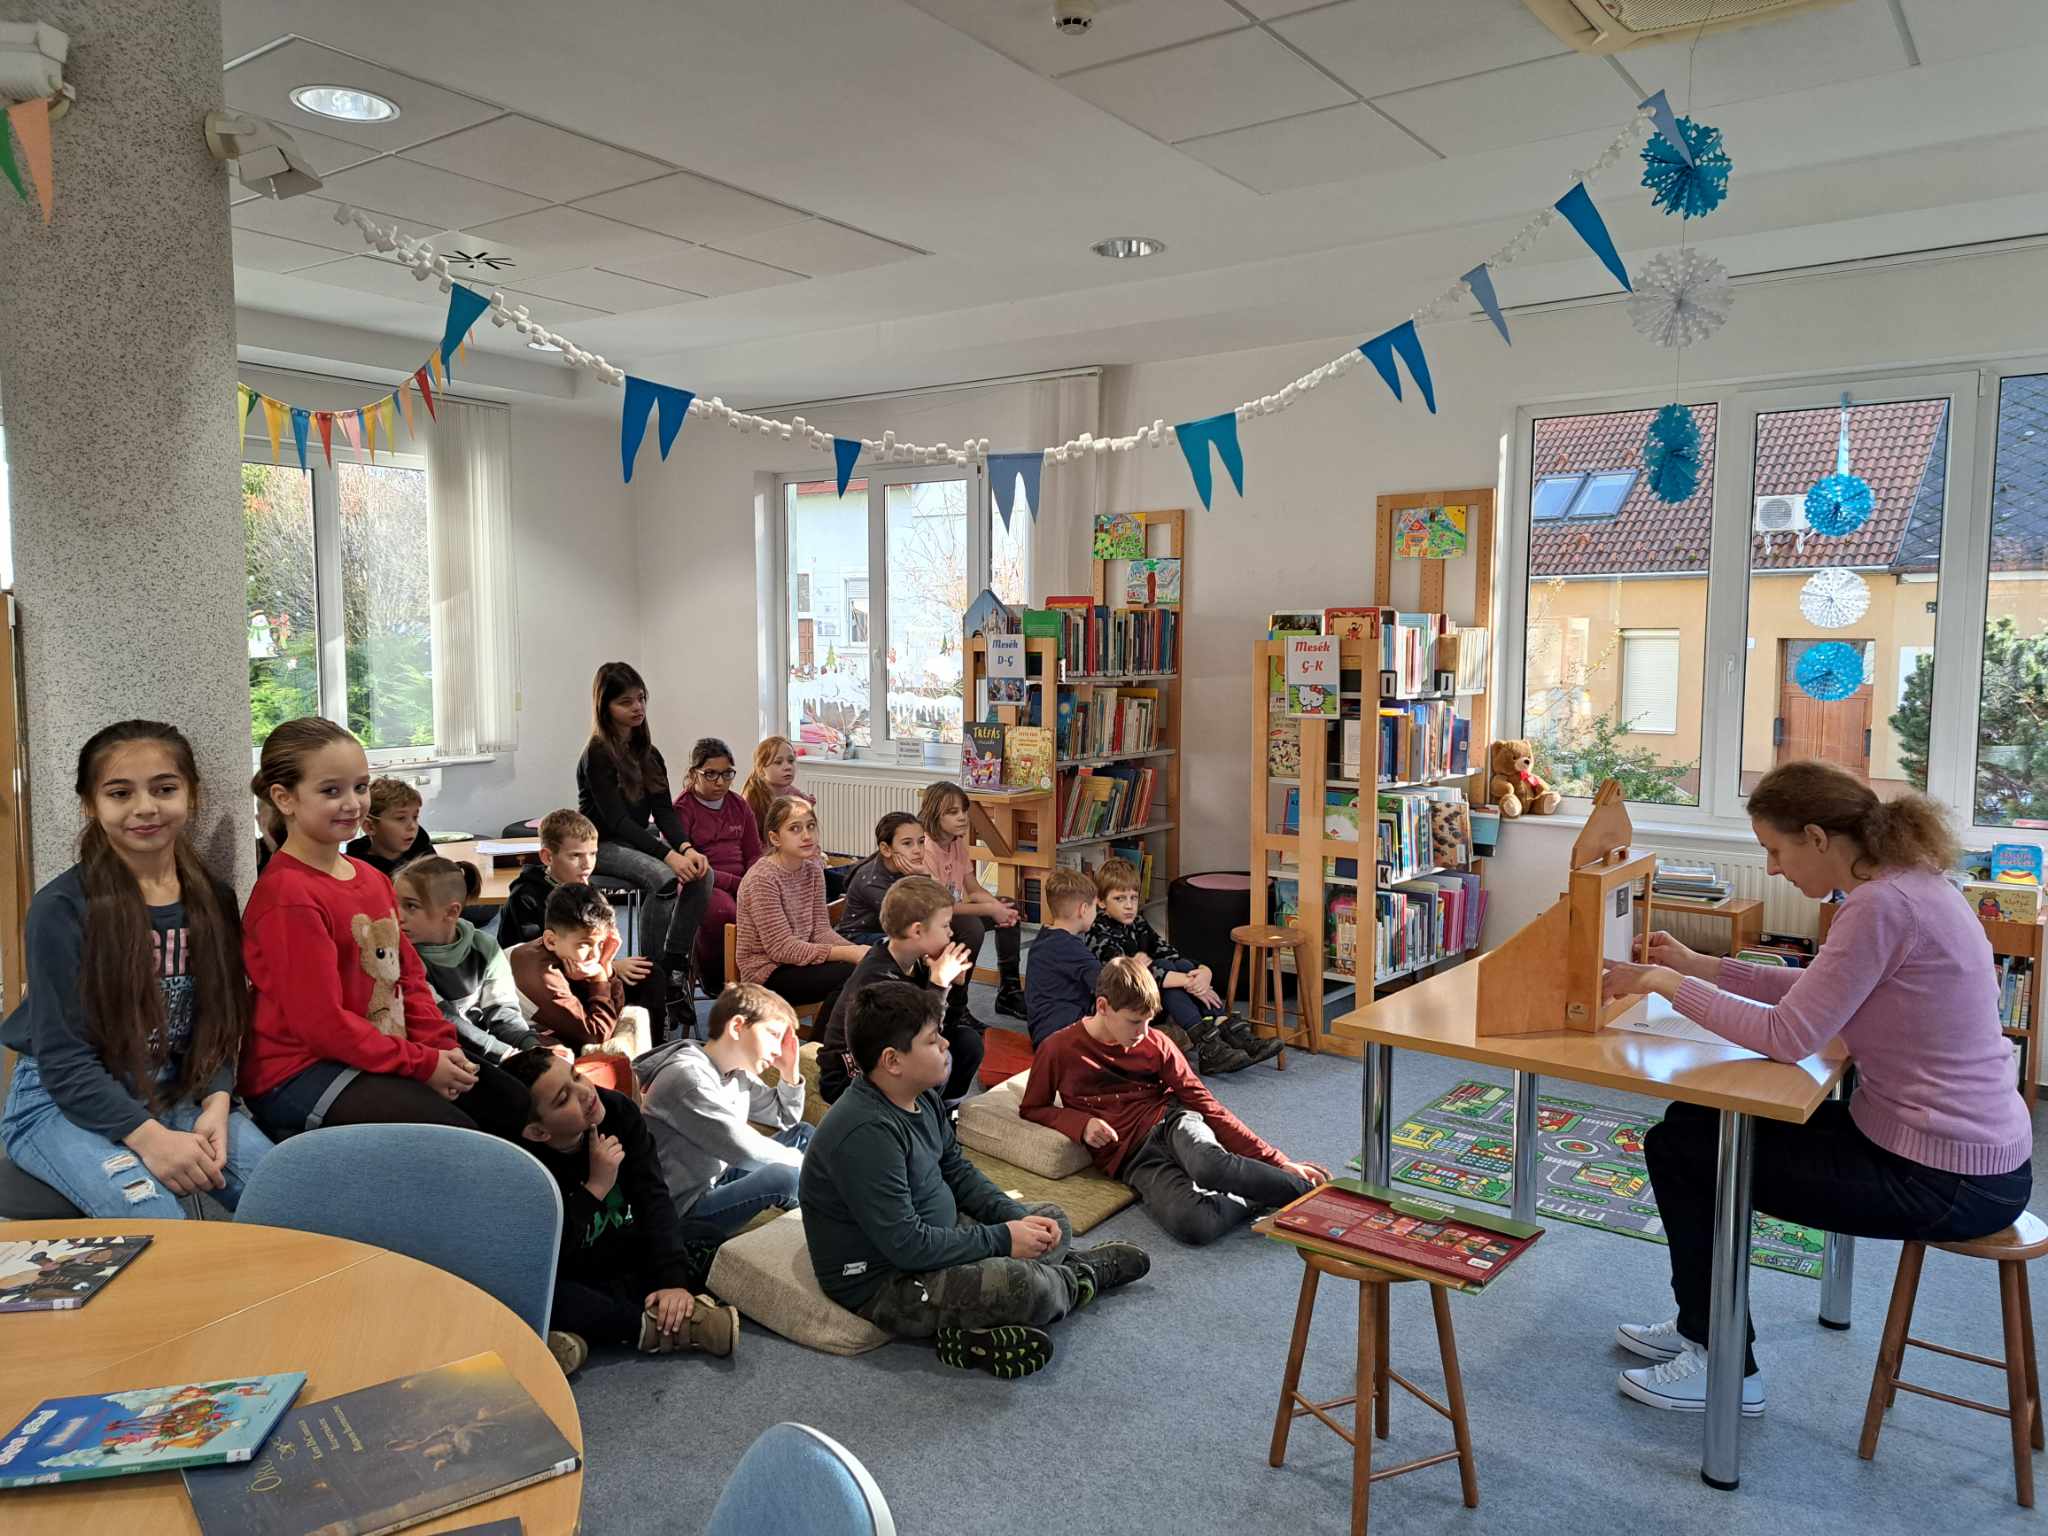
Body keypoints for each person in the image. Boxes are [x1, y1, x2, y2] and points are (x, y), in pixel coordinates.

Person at [1601, 760, 2033, 1418]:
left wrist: (1667, 984)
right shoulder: (1908, 885)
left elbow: (1788, 1034)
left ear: (1817, 838)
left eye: (1775, 851)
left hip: (1946, 1176)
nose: (1773, 869)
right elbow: (1820, 990)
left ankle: (1725, 1367)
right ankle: (1702, 1323)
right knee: (1690, 1123)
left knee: (1685, 1152)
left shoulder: (1881, 906)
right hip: (1959, 1152)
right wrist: (1700, 965)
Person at [799, 982, 1149, 1379]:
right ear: (892, 1061)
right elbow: (907, 1247)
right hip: (887, 1280)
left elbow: (958, 1172)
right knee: (1031, 1287)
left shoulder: (921, 1094)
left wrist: (1013, 1218)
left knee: (1051, 1219)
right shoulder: (864, 1135)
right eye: (933, 1040)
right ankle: (1079, 1278)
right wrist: (1003, 1240)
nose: (946, 1044)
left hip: (938, 1233)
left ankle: (978, 1326)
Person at [0, 721, 272, 1218]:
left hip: (176, 1088)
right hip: (60, 1101)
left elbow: (217, 1019)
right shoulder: (61, 907)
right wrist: (149, 1139)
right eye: (120, 793)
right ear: (90, 803)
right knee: (156, 1218)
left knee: (288, 1194)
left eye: (164, 789)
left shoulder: (213, 898)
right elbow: (63, 1059)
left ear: (191, 794)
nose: (145, 807)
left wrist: (216, 1100)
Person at [240, 717, 529, 1140]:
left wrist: (441, 1046)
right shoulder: (287, 895)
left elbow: (408, 978)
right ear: (285, 798)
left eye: (360, 787)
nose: (352, 804)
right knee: (460, 1139)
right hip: (298, 1071)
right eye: (331, 791)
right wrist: (422, 1064)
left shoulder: (372, 879)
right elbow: (322, 1025)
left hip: (376, 1048)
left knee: (514, 1103)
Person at [1023, 958, 1327, 1246]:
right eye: (1134, 1022)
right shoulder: (1057, 1048)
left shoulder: (1156, 1042)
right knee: (1192, 1224)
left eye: (1149, 1021)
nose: (1143, 1033)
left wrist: (1277, 1161)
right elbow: (1033, 1107)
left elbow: (1205, 1104)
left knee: (1209, 1166)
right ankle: (1257, 1191)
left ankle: (1312, 1194)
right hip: (1133, 1158)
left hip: (1171, 1122)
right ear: (1103, 1006)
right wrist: (1081, 1124)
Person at [496, 1047, 736, 1376]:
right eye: (564, 1098)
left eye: (577, 1076)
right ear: (538, 1132)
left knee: (707, 1239)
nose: (585, 1092)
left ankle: (582, 1335)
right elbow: (542, 1256)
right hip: (572, 1269)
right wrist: (595, 1188)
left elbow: (653, 1196)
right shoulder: (519, 1163)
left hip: (623, 1253)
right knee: (539, 1297)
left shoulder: (617, 1110)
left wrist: (673, 1282)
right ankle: (664, 1325)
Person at [577, 662, 714, 1030]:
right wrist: (667, 855)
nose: (637, 707)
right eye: (626, 702)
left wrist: (686, 848)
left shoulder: (649, 754)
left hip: (636, 840)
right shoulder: (597, 754)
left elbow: (664, 812)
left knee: (703, 873)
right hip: (601, 843)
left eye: (641, 699)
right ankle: (654, 976)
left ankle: (673, 964)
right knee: (663, 878)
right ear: (606, 707)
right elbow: (617, 821)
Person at [637, 983, 811, 1236]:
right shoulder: (688, 1079)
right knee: (785, 1177)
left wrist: (789, 1072)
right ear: (737, 1026)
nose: (777, 1051)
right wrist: (812, 1167)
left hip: (717, 1178)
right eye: (774, 1035)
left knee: (802, 1134)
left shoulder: (735, 1073)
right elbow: (747, 1151)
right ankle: (830, 1215)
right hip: (681, 1210)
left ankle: (840, 1192)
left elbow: (785, 1117)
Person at [1086, 857, 1274, 1072]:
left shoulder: (1136, 922)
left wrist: (1203, 972)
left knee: (1178, 963)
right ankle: (1208, 1044)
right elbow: (1130, 976)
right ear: (1101, 902)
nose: (1129, 905)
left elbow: (1169, 953)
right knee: (1164, 969)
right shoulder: (1098, 932)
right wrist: (1186, 981)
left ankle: (1225, 1027)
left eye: (1133, 898)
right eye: (1119, 899)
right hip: (1121, 1003)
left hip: (1147, 996)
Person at [818, 875, 978, 1104]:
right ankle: (918, 1113)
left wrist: (956, 986)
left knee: (967, 1042)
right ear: (917, 931)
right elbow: (925, 1035)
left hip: (898, 1052)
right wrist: (939, 984)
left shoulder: (916, 963)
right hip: (850, 1079)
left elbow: (946, 1028)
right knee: (935, 1060)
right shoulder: (879, 976)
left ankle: (939, 1111)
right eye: (945, 925)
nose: (951, 933)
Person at [393, 855, 543, 1065]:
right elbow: (444, 1019)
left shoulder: (485, 947)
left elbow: (502, 1012)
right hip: (438, 1059)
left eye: (411, 906)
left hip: (486, 1052)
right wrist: (508, 1055)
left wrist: (532, 1047)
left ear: (451, 912)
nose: (398, 915)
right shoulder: (400, 955)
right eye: (394, 903)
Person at [735, 796, 865, 1024]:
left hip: (799, 962)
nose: (806, 836)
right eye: (795, 828)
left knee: (867, 968)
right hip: (767, 974)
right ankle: (825, 1043)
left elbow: (820, 931)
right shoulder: (762, 879)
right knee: (851, 975)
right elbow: (781, 949)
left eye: (810, 826)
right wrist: (849, 954)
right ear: (775, 838)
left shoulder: (812, 871)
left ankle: (831, 1040)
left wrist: (859, 952)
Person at [919, 781, 1025, 1021]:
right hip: (933, 918)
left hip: (951, 910)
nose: (962, 817)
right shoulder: (926, 848)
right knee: (971, 928)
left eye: (964, 811)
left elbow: (973, 888)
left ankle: (1009, 992)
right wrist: (990, 908)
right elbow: (942, 906)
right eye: (952, 812)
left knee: (1009, 905)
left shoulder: (956, 842)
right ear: (934, 814)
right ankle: (957, 1007)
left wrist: (998, 908)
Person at [671, 738, 762, 994]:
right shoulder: (683, 809)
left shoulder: (739, 805)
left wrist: (754, 881)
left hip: (741, 879)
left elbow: (753, 852)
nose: (720, 782)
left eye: (727, 774)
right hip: (702, 882)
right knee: (724, 914)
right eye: (710, 774)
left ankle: (758, 979)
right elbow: (690, 865)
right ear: (694, 773)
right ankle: (717, 981)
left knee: (768, 906)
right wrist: (736, 884)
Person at [507, 884, 629, 1053]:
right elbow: (597, 1034)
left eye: (600, 944)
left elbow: (615, 1013)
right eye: (584, 944)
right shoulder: (543, 974)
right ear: (550, 941)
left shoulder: (565, 951)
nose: (595, 954)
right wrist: (600, 977)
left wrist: (607, 966)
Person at [501, 808, 602, 949]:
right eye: (576, 855)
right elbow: (534, 951)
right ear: (548, 857)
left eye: (592, 854)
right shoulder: (525, 897)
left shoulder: (587, 888)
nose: (588, 864)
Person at [837, 811, 928, 945]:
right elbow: (914, 918)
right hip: (857, 938)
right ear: (886, 849)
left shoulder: (908, 868)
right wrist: (926, 876)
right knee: (918, 939)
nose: (918, 850)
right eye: (907, 843)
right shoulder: (871, 882)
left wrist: (926, 875)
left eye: (921, 842)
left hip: (890, 931)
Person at [344, 776, 433, 879]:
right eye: (400, 818)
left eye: (415, 817)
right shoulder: (355, 871)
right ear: (370, 827)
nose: (412, 826)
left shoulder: (422, 847)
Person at [740, 734, 812, 836]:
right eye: (778, 762)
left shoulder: (795, 795)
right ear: (761, 770)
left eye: (791, 761)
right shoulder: (752, 800)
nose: (787, 767)